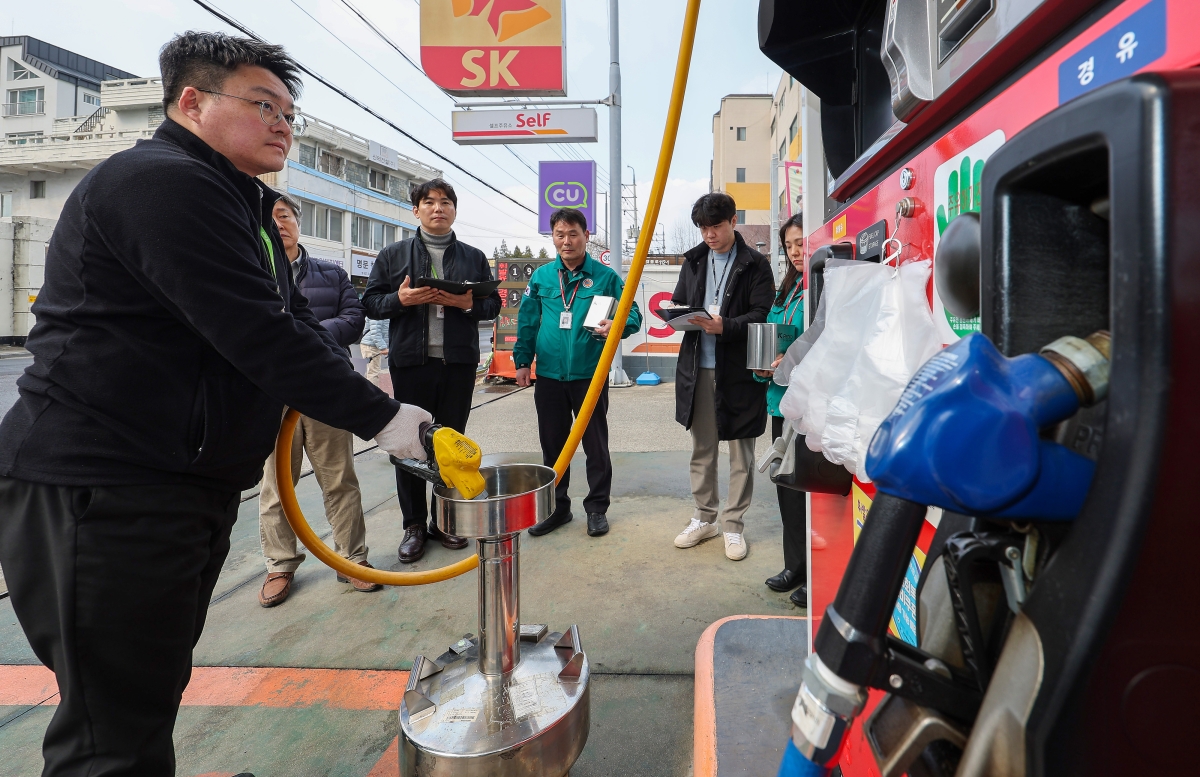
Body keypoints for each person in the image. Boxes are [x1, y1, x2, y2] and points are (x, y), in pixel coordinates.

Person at [0, 33, 433, 777]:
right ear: (191, 102)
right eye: (263, 104)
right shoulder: (160, 182)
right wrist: (386, 419)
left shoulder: (245, 207)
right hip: (101, 488)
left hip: (170, 486)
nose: (283, 125)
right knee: (108, 735)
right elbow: (256, 333)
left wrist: (373, 401)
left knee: (145, 692)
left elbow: (294, 323)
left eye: (290, 112)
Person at [363, 179, 501, 563]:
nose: (438, 208)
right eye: (429, 202)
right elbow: (371, 303)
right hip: (411, 364)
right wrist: (401, 299)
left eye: (445, 202)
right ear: (416, 210)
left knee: (452, 444)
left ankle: (446, 521)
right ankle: (414, 525)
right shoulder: (393, 255)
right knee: (409, 444)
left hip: (458, 364)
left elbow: (492, 308)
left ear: (454, 210)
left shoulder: (473, 256)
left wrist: (465, 303)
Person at [257, 193, 379, 607]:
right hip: (274, 393)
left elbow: (353, 319)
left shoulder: (332, 273)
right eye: (272, 218)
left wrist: (303, 337)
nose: (280, 224)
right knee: (277, 485)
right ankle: (279, 565)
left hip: (326, 389)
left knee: (339, 479)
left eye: (286, 216)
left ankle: (353, 560)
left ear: (297, 223)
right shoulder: (253, 271)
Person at [514, 208, 642, 537]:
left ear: (587, 236)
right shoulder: (542, 278)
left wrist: (619, 324)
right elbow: (527, 322)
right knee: (553, 446)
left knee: (595, 445)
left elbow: (634, 315)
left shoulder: (606, 277)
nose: (567, 241)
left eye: (573, 234)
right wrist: (522, 361)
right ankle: (557, 508)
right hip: (551, 377)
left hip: (590, 375)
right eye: (560, 234)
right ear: (553, 237)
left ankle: (597, 508)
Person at [671, 192, 774, 560]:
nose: (709, 234)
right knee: (702, 448)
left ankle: (733, 525)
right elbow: (681, 302)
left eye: (715, 226)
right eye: (703, 228)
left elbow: (763, 314)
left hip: (739, 370)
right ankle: (705, 517)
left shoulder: (755, 264)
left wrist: (725, 326)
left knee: (741, 451)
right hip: (698, 369)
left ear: (733, 221)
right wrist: (679, 317)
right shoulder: (694, 261)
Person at [752, 213, 825, 607]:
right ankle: (795, 565)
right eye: (790, 245)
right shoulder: (789, 287)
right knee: (788, 487)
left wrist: (787, 363)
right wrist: (767, 364)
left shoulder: (825, 284)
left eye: (801, 242)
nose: (797, 251)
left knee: (814, 489)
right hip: (781, 400)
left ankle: (820, 571)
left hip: (812, 405)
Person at [360, 317, 390, 387]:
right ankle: (373, 396)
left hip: (370, 344)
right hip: (371, 346)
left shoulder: (379, 312)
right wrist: (383, 347)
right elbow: (375, 332)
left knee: (369, 371)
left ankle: (366, 394)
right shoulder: (377, 313)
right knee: (373, 373)